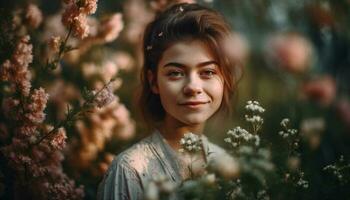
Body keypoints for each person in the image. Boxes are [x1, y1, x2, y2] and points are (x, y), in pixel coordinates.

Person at [97, 3, 240, 200]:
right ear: (153, 81)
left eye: (207, 72)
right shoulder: (130, 170)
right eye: (175, 73)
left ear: (225, 80)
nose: (193, 86)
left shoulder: (231, 168)